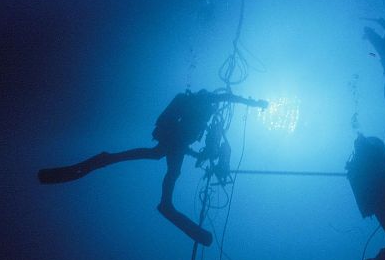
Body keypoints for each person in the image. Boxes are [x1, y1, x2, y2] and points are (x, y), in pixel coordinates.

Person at [38, 89, 268, 246]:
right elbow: (229, 97)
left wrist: (196, 153)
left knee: (159, 158)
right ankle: (163, 202)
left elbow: (186, 137)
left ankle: (110, 161)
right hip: (175, 138)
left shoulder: (200, 109)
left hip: (176, 140)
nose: (214, 111)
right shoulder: (207, 99)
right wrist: (255, 103)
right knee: (165, 163)